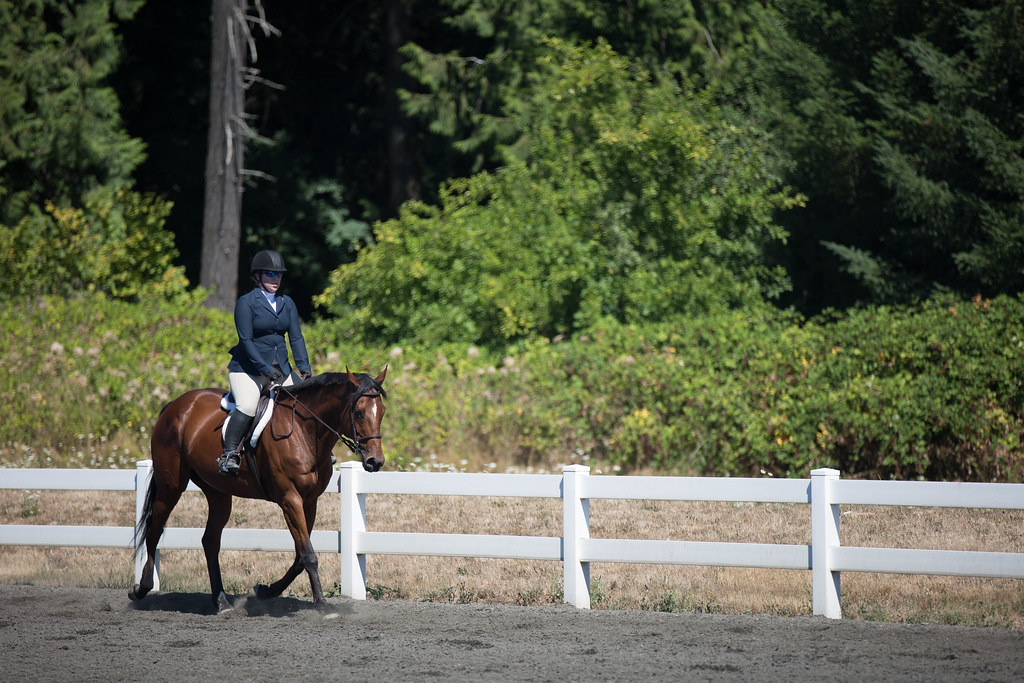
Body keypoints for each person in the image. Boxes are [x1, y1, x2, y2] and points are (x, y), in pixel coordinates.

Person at [218, 249, 312, 476]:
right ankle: (229, 454)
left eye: (279, 275)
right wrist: (265, 369)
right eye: (270, 274)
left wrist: (304, 365)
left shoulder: (287, 302)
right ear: (258, 275)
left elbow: (296, 336)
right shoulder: (246, 302)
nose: (275, 279)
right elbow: (246, 341)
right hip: (247, 369)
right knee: (248, 405)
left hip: (281, 367)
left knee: (307, 403)